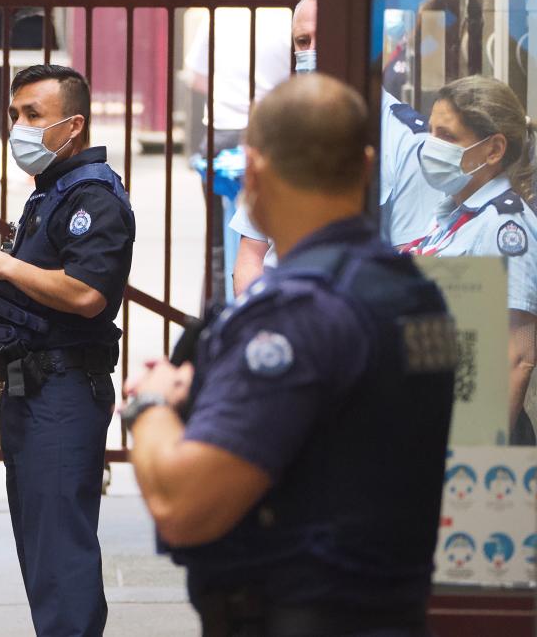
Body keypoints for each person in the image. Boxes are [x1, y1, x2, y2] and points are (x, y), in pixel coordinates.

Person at [123, 74, 455, 636]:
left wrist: (150, 405)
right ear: (366, 164)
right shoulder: (413, 292)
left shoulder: (298, 313)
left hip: (298, 613)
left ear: (253, 172)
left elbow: (185, 504)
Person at [0, 64, 135, 636]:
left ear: (73, 125)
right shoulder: (53, 191)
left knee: (60, 557)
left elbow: (88, 293)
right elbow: (53, 280)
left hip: (61, 392)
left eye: (33, 116)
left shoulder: (94, 197)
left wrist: (9, 266)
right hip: (31, 390)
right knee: (43, 551)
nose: (19, 126)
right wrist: (8, 283)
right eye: (15, 115)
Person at [229, 0, 438, 295]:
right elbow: (251, 253)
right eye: (303, 41)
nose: (312, 52)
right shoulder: (279, 124)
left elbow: (411, 262)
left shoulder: (405, 140)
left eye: (323, 39)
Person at [404, 75, 537, 444]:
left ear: (493, 150)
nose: (431, 146)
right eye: (431, 132)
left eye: (446, 136)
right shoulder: (451, 216)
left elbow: (518, 357)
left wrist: (476, 460)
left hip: (478, 437)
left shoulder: (504, 228)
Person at [184, 0, 296, 156]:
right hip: (274, 131)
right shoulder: (293, 17)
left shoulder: (220, 12)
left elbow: (195, 78)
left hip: (222, 131)